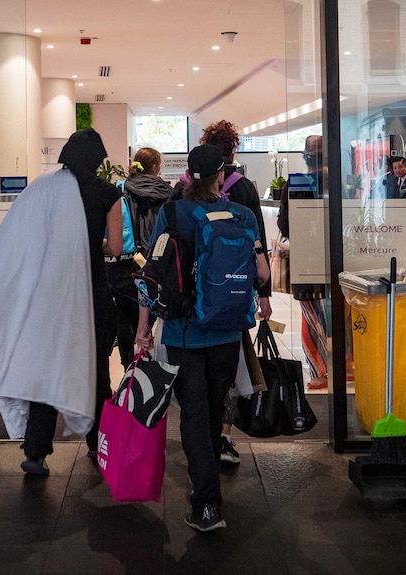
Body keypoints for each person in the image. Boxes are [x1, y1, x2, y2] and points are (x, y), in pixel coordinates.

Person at [136, 144, 270, 532]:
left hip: (183, 332)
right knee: (214, 409)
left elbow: (153, 275)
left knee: (193, 413)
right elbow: (260, 273)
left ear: (188, 175)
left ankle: (207, 504)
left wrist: (144, 327)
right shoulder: (242, 214)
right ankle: (209, 487)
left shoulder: (173, 213)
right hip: (227, 331)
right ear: (220, 175)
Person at [0, 128, 123, 475]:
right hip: (92, 293)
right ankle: (97, 444)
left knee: (48, 367)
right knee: (98, 372)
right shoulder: (108, 193)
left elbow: (21, 239)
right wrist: (90, 246)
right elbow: (116, 248)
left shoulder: (43, 188)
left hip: (50, 295)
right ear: (98, 160)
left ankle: (35, 451)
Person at [175, 119, 273, 464]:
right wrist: (264, 296)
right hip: (232, 305)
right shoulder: (243, 193)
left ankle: (202, 455)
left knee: (195, 396)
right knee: (228, 379)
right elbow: (260, 258)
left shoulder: (178, 198)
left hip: (189, 315)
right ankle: (223, 438)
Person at [106, 148, 173, 368]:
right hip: (154, 263)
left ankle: (128, 365)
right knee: (151, 313)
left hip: (124, 262)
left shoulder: (121, 189)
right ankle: (151, 364)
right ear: (156, 167)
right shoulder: (167, 191)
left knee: (124, 315)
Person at [294, 135, 330, 390]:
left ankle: (319, 371)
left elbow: (286, 224)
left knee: (310, 315)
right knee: (334, 312)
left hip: (305, 257)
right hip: (335, 256)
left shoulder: (296, 183)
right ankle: (345, 365)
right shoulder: (338, 183)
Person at [124, 147, 174, 256]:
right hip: (159, 248)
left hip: (131, 251)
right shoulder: (165, 191)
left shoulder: (125, 188)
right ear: (154, 167)